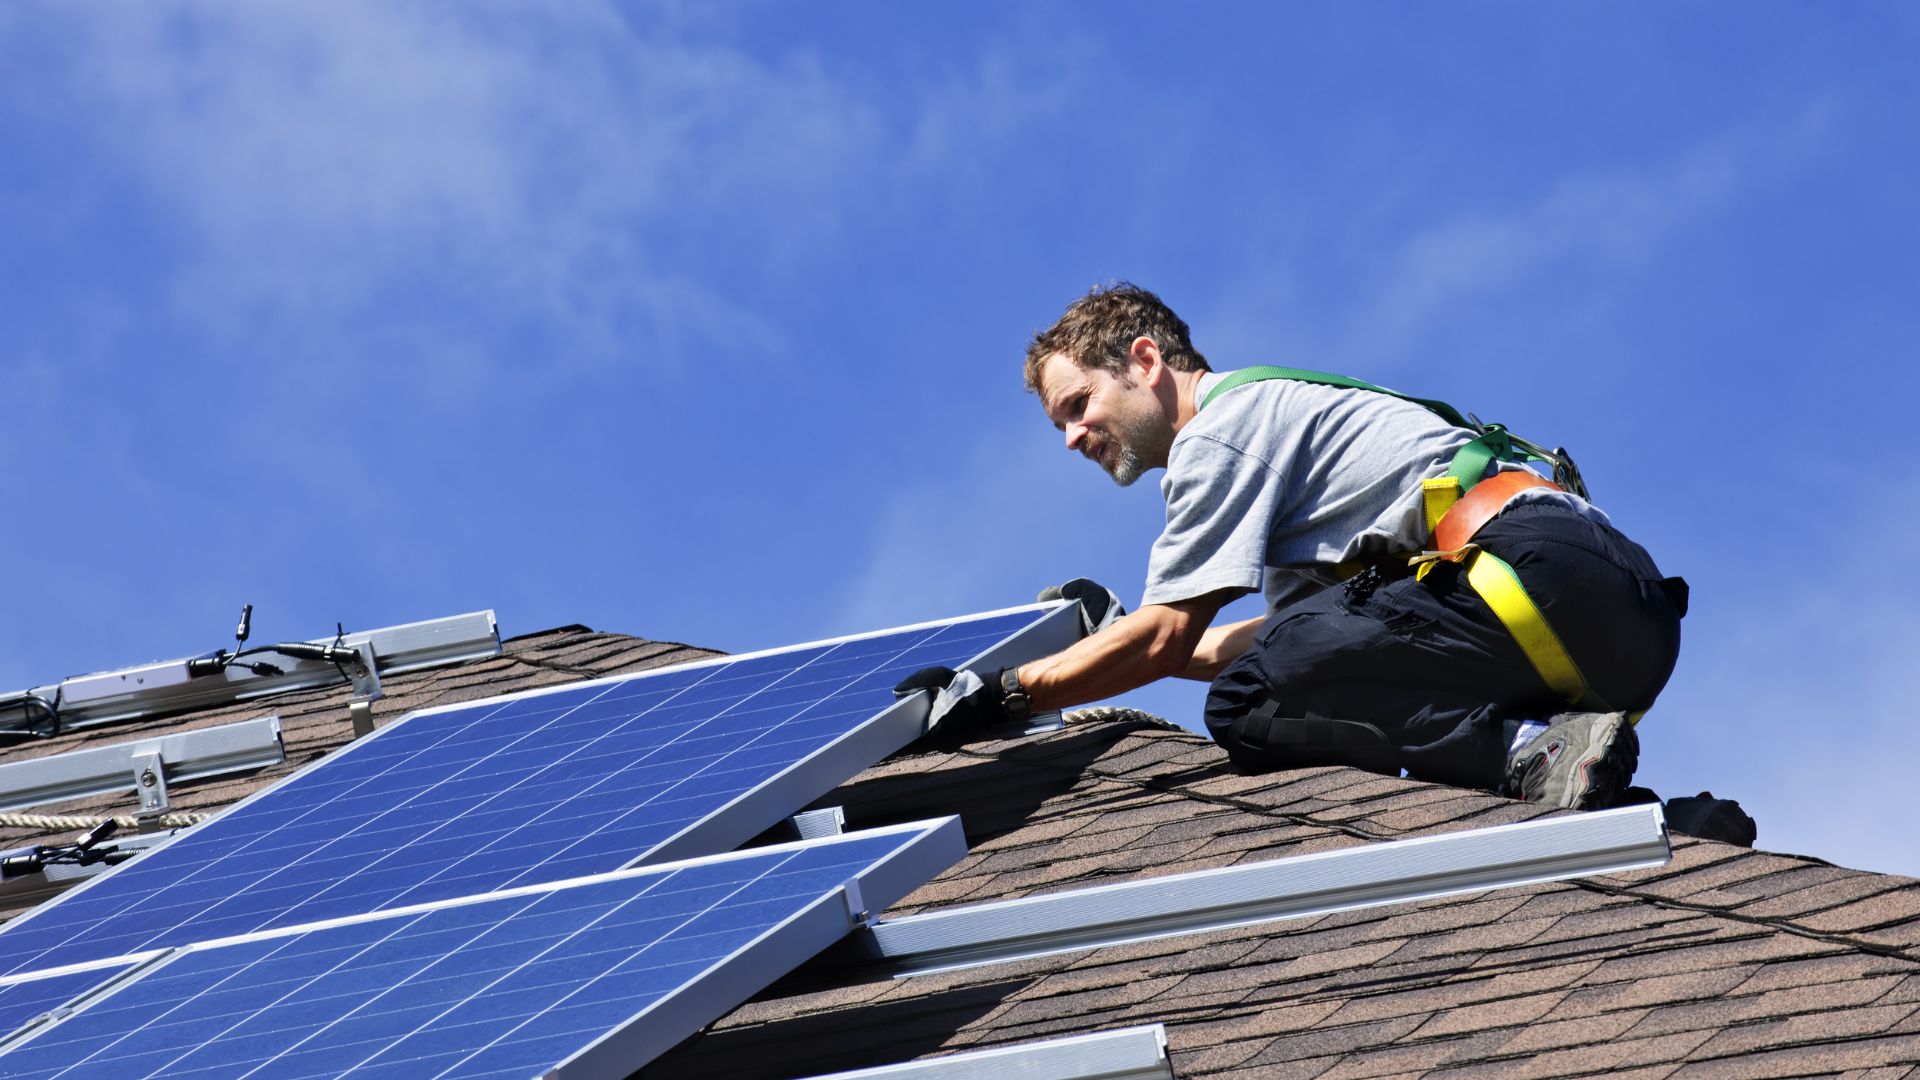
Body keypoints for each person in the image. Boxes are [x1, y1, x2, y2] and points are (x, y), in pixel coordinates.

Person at [896, 283, 1687, 810]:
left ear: (1144, 360)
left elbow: (1175, 636)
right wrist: (1114, 645)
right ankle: (1632, 812)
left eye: (1078, 405)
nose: (1071, 438)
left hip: (1530, 582)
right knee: (1274, 669)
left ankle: (1526, 750)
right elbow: (1269, 641)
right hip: (1620, 620)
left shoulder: (1221, 435)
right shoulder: (1285, 432)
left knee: (1249, 707)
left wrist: (1003, 692)